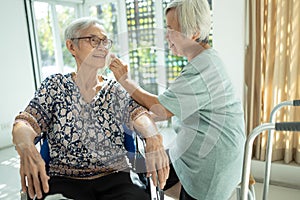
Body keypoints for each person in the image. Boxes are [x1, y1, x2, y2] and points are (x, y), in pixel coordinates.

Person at [12, 17, 169, 200]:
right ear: (72, 47)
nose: (102, 46)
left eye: (105, 41)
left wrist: (153, 136)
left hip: (115, 177)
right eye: (93, 40)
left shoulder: (114, 89)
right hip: (63, 179)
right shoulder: (55, 86)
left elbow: (139, 115)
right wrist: (25, 147)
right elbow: (25, 122)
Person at [109, 0, 246, 199]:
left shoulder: (204, 67)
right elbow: (169, 108)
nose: (166, 35)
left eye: (171, 29)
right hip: (194, 155)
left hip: (210, 166)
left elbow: (162, 109)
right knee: (145, 171)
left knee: (144, 173)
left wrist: (125, 80)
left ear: (195, 33)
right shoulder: (203, 60)